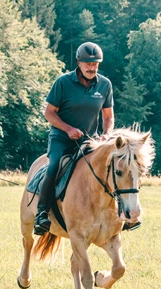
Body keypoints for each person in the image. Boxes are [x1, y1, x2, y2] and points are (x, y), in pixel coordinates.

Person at [34, 42, 115, 235]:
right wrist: (68, 129)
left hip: (90, 141)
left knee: (112, 168)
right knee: (53, 167)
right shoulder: (63, 82)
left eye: (95, 63)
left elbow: (108, 116)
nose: (91, 67)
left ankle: (123, 215)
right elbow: (49, 113)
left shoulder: (105, 85)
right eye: (87, 63)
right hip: (61, 138)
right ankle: (42, 214)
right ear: (78, 62)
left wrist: (106, 135)